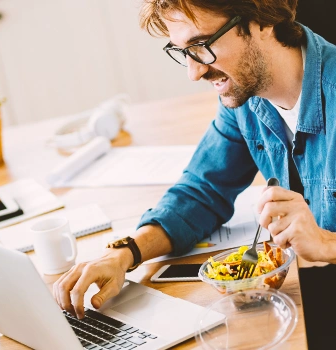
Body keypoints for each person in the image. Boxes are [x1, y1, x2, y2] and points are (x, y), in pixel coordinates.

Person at [54, 0, 336, 319]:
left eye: (202, 45)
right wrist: (124, 253)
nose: (194, 71)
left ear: (263, 19)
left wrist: (327, 243)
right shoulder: (244, 97)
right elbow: (202, 192)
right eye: (184, 52)